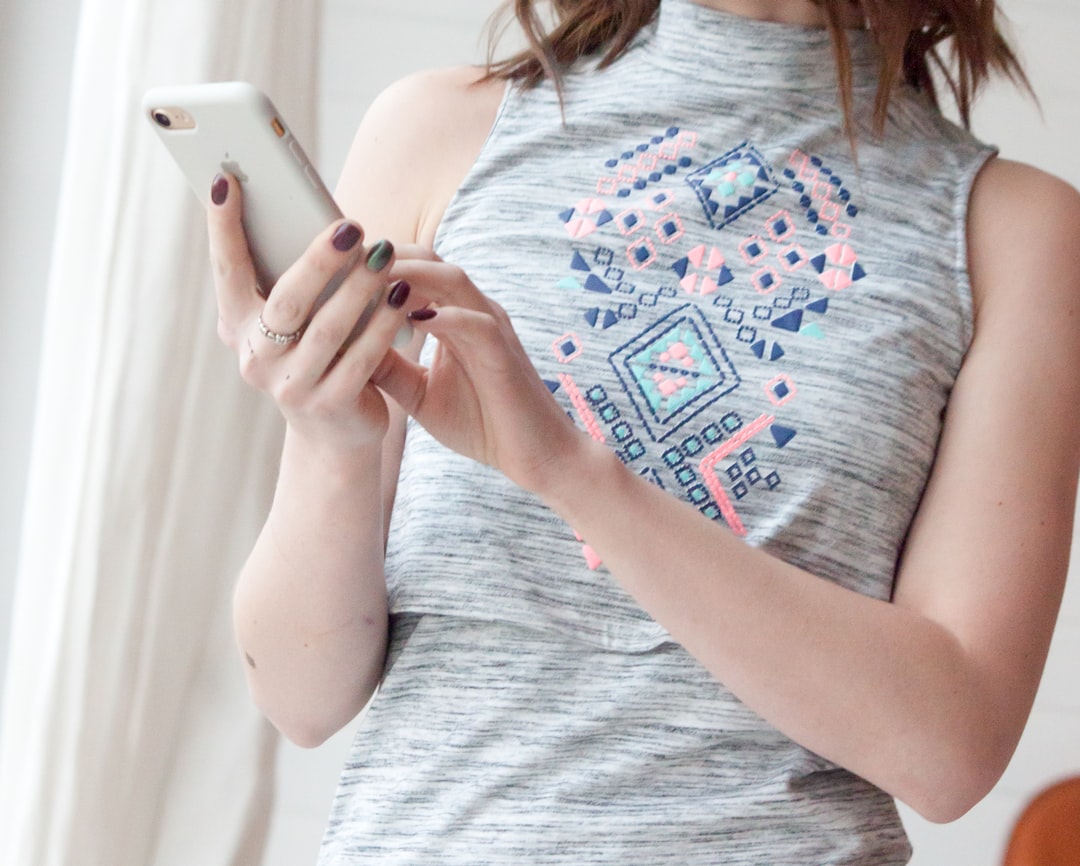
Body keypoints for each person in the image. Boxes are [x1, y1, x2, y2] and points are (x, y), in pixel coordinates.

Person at [206, 0, 1080, 862]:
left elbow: (949, 752)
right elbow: (299, 697)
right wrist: (331, 440)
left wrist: (571, 474)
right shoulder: (436, 129)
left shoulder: (1012, 230)